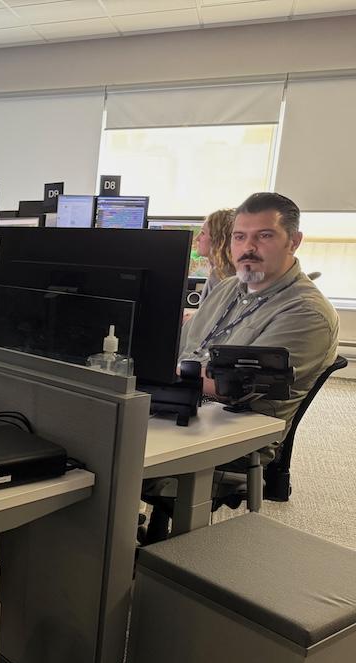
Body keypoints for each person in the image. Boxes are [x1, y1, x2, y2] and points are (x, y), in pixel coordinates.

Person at [144, 192, 339, 542]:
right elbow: (182, 349)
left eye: (263, 235)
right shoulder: (229, 287)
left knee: (114, 458)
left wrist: (163, 368)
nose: (247, 247)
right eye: (239, 236)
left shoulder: (306, 313)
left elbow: (231, 388)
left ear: (293, 241)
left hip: (231, 432)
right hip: (178, 407)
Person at [195, 208, 236, 302]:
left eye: (202, 233)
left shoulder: (220, 275)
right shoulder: (227, 271)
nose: (197, 238)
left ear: (219, 240)